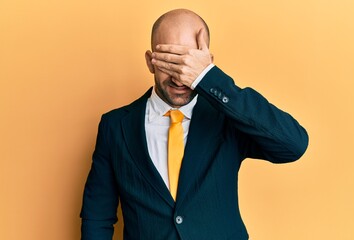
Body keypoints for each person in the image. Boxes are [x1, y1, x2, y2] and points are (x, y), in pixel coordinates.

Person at [80, 8, 308, 240]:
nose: (179, 77)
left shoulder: (227, 118)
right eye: (170, 62)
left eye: (188, 63)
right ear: (150, 62)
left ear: (206, 62)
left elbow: (293, 144)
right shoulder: (115, 126)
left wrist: (209, 78)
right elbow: (97, 215)